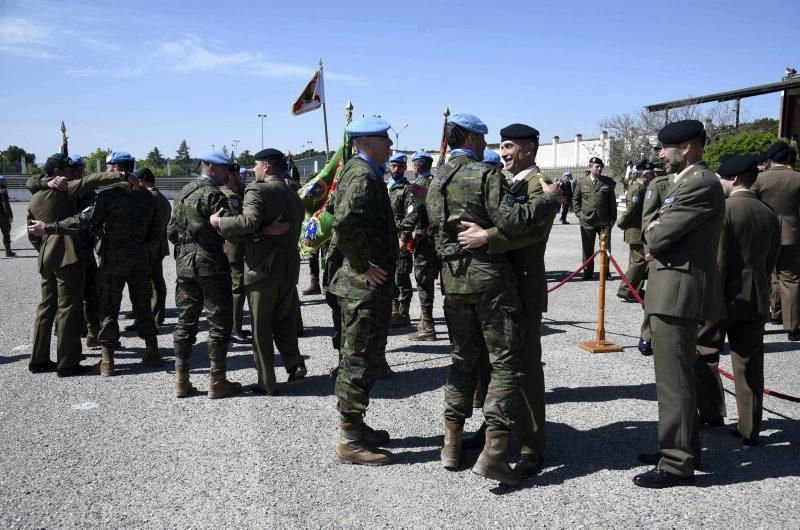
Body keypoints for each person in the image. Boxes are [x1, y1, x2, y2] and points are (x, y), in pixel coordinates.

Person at [426, 112, 561, 486]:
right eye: (499, 145)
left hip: (519, 283)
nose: (501, 153)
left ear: (529, 149)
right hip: (493, 285)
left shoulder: (538, 184)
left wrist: (488, 236)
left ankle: (532, 444)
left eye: (508, 146)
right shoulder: (495, 178)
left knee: (525, 367)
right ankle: (491, 436)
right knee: (490, 364)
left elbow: (533, 233)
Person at [634, 120, 726, 489]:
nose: (659, 154)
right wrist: (654, 227)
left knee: (675, 381)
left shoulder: (699, 182)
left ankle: (676, 462)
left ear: (685, 147)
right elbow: (656, 228)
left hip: (678, 293)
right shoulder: (685, 181)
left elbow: (657, 236)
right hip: (672, 290)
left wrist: (653, 228)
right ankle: (682, 448)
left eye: (664, 147)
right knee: (676, 377)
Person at [30, 151, 162, 376]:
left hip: (111, 256)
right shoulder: (148, 197)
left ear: (117, 168)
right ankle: (152, 351)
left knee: (108, 306)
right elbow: (156, 230)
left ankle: (107, 359)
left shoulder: (107, 197)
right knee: (142, 303)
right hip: (139, 256)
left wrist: (49, 230)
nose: (106, 169)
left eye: (109, 166)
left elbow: (84, 220)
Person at [695, 155, 780, 446]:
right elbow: (771, 261)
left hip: (722, 298)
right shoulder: (769, 213)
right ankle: (749, 428)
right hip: (755, 297)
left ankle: (711, 412)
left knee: (703, 353)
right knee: (750, 364)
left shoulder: (725, 210)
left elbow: (717, 261)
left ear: (732, 179)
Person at [329, 116, 397, 466]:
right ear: (367, 141)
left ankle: (355, 424)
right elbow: (343, 224)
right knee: (358, 359)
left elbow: (335, 211)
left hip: (363, 287)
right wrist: (361, 265)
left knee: (364, 357)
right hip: (362, 287)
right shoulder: (363, 175)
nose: (390, 144)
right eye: (385, 138)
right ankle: (349, 441)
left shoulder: (360, 172)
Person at [214, 148, 307, 394]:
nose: (253, 170)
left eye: (255, 165)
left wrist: (219, 223)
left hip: (263, 267)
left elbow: (248, 222)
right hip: (289, 265)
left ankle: (266, 381)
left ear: (266, 166)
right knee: (283, 318)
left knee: (260, 325)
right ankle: (294, 363)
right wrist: (266, 230)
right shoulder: (292, 189)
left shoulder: (257, 189)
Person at [26, 154, 123, 376]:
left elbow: (32, 232)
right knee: (69, 307)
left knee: (45, 307)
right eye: (70, 170)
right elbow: (94, 181)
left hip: (46, 255)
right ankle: (68, 363)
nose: (74, 173)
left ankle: (38, 360)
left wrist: (44, 249)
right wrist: (122, 174)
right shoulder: (67, 189)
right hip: (68, 254)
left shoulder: (34, 197)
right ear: (58, 173)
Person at [167, 150, 242, 399]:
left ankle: (181, 380)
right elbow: (230, 229)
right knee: (218, 321)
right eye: (225, 169)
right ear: (211, 168)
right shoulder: (214, 195)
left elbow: (171, 233)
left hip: (185, 264)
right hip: (210, 263)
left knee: (186, 320)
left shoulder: (183, 193)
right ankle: (217, 381)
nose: (228, 174)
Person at [751, 142, 800, 341]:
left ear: (770, 159)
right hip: (793, 233)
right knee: (791, 279)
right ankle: (793, 326)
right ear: (788, 159)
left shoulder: (760, 179)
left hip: (764, 234)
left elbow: (751, 205)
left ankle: (760, 321)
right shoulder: (798, 177)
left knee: (761, 278)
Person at [637, 167, 675, 355]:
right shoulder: (658, 185)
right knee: (654, 296)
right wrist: (648, 250)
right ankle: (647, 335)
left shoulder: (695, 181)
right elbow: (648, 219)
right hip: (660, 250)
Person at [404, 150, 438, 341]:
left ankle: (428, 326)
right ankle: (425, 321)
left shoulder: (419, 186)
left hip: (424, 242)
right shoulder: (435, 183)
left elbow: (413, 215)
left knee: (424, 283)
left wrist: (400, 233)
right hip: (435, 242)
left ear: (417, 166)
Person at [219, 164, 251, 344]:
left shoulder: (242, 191)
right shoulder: (224, 195)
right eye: (237, 174)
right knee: (237, 288)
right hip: (232, 248)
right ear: (230, 175)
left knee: (241, 287)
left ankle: (236, 326)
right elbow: (234, 222)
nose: (241, 177)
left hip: (243, 247)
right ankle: (233, 329)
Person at [137, 168, 172, 327]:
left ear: (143, 179)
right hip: (159, 245)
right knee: (157, 280)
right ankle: (157, 315)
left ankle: (150, 317)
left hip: (149, 247)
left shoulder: (148, 197)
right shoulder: (162, 197)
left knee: (149, 283)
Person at [573, 157, 617, 280]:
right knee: (587, 248)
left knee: (606, 247)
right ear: (590, 167)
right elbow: (575, 200)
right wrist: (579, 214)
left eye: (600, 167)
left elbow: (612, 203)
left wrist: (612, 219)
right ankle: (587, 272)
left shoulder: (607, 182)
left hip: (604, 221)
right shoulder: (582, 182)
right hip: (587, 221)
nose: (599, 169)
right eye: (596, 166)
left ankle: (605, 272)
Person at [616, 161, 654, 302]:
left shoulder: (642, 188)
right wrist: (621, 223)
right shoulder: (637, 189)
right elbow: (631, 210)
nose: (653, 177)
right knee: (640, 261)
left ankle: (634, 290)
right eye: (650, 174)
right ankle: (625, 289)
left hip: (638, 230)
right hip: (636, 230)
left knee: (635, 262)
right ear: (645, 175)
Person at [387, 152, 414, 328]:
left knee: (401, 276)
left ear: (405, 168)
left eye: (400, 166)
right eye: (393, 165)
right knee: (389, 275)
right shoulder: (385, 187)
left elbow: (410, 216)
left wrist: (404, 239)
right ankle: (393, 310)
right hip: (387, 238)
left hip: (400, 238)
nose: (396, 169)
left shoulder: (407, 189)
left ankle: (404, 313)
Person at [0, 175, 14, 257]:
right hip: (2, 216)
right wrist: (10, 216)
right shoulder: (3, 190)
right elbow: (6, 204)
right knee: (6, 233)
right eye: (4, 181)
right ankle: (8, 251)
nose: (5, 183)